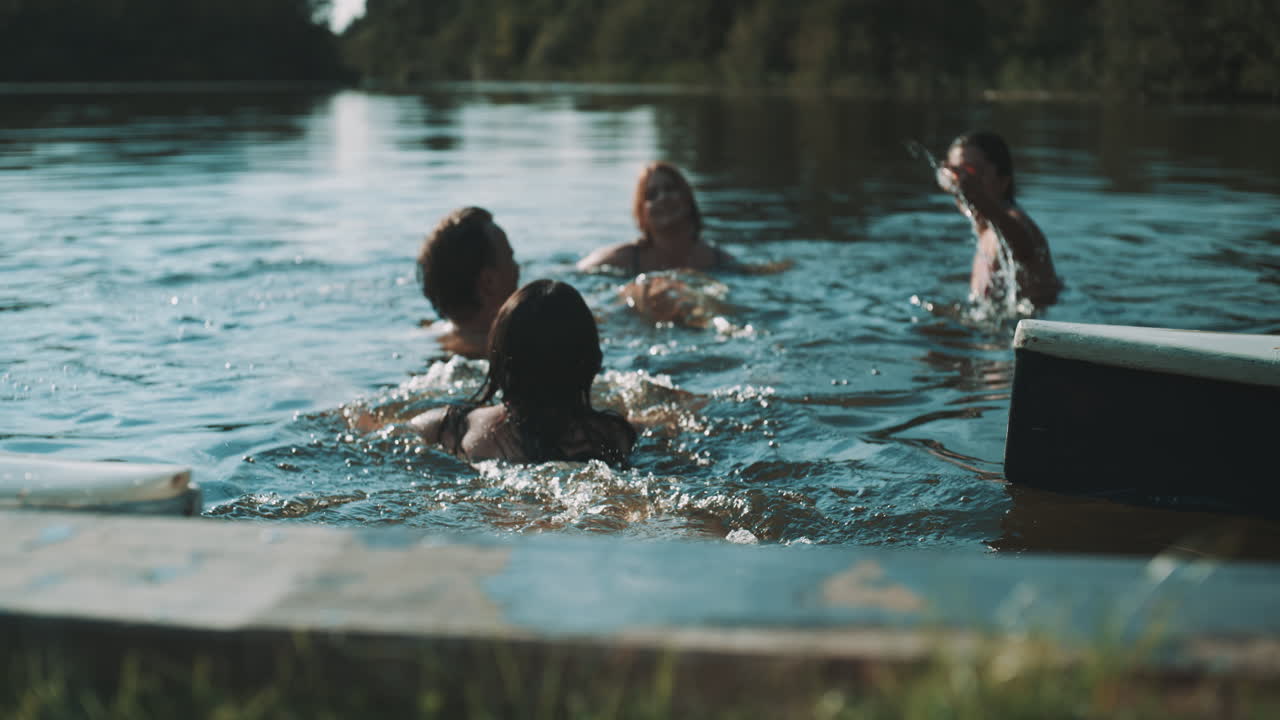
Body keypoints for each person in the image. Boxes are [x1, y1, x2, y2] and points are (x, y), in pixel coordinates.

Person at [410, 279, 637, 466]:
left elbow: (398, 435)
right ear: (590, 362)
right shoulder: (615, 437)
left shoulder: (450, 428)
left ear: (498, 357)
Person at [940, 131, 1061, 307]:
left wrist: (980, 200)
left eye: (972, 173)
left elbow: (1022, 243)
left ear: (1003, 181)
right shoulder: (985, 230)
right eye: (954, 176)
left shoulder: (1013, 221)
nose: (962, 186)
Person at [577, 162, 736, 274]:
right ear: (641, 213)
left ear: (687, 199)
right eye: (651, 195)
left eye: (670, 189)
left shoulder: (718, 259)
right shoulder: (623, 258)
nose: (663, 198)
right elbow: (577, 271)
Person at [416, 206, 519, 358]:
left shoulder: (428, 334)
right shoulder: (511, 349)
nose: (517, 267)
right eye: (510, 258)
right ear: (489, 282)